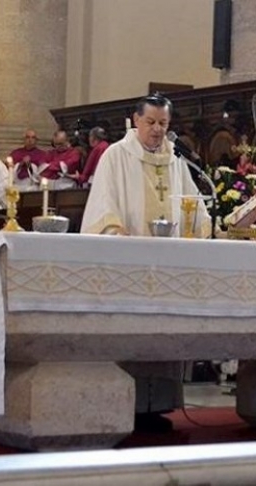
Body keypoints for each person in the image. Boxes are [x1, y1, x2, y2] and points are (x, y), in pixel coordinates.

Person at [81, 93, 211, 432]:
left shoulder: (176, 159)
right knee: (131, 333)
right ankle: (128, 405)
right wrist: (114, 231)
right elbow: (104, 202)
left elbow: (193, 203)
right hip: (129, 262)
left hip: (169, 265)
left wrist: (202, 226)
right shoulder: (116, 155)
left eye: (163, 123)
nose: (157, 130)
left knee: (166, 332)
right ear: (136, 120)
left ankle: (161, 404)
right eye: (151, 122)